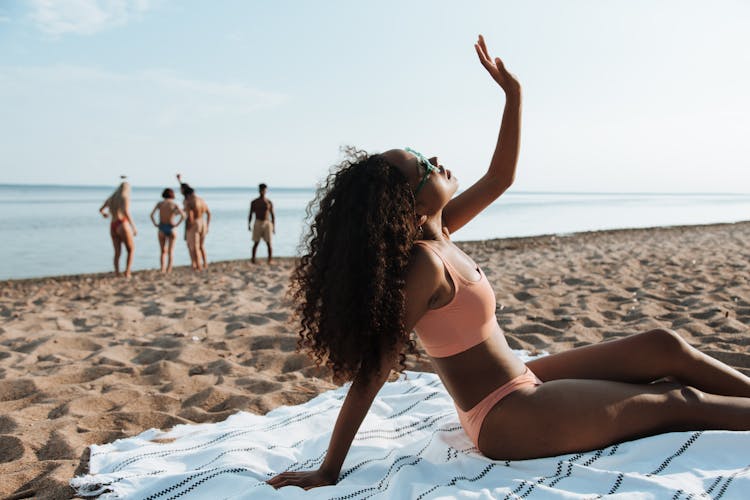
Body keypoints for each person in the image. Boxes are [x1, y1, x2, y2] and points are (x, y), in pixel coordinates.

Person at [268, 35, 750, 490]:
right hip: (505, 416)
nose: (435, 159)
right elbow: (374, 370)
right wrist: (329, 470)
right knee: (676, 400)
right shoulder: (425, 265)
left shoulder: (443, 230)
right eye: (424, 168)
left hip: (524, 379)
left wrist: (512, 96)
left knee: (663, 346)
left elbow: (500, 177)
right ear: (409, 206)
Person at [99, 179, 137, 278]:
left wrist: (105, 214)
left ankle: (117, 273)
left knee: (117, 252)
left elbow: (101, 209)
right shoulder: (124, 198)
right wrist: (133, 227)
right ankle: (127, 272)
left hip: (113, 224)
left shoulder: (111, 198)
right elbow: (126, 212)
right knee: (131, 249)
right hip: (122, 223)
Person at [149, 188, 185, 272]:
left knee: (162, 251)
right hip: (171, 227)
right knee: (170, 251)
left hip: (161, 227)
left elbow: (151, 215)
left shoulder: (160, 204)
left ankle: (162, 269)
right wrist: (177, 224)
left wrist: (155, 224)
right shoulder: (174, 204)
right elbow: (183, 215)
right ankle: (169, 269)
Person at [182, 182, 211, 271]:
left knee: (193, 247)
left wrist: (188, 227)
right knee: (201, 246)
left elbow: (190, 215)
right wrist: (207, 226)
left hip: (194, 223)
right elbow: (209, 213)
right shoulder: (201, 200)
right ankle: (205, 263)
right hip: (202, 222)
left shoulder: (188, 201)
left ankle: (197, 265)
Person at [248, 183, 275, 264]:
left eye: (264, 190)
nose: (263, 191)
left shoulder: (269, 202)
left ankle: (270, 260)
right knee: (256, 242)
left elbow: (272, 215)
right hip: (258, 222)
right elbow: (250, 214)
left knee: (269, 243)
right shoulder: (254, 202)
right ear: (259, 190)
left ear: (266, 190)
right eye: (261, 189)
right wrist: (248, 225)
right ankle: (253, 259)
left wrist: (273, 226)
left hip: (267, 222)